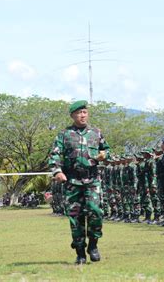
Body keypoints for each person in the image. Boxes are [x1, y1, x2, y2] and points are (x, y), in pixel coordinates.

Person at [48, 100, 110, 264]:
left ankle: (93, 245)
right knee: (76, 218)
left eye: (85, 112)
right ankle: (80, 252)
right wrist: (58, 171)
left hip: (92, 179)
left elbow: (106, 149)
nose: (82, 115)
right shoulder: (64, 134)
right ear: (72, 116)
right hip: (73, 181)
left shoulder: (96, 133)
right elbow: (54, 155)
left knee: (95, 212)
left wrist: (104, 154)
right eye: (79, 113)